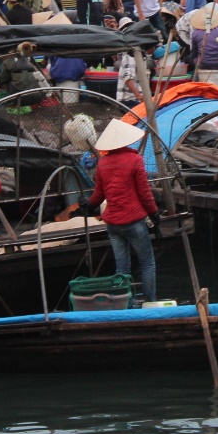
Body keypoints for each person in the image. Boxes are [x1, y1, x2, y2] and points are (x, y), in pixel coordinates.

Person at [86, 119, 160, 303]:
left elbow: (98, 195)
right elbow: (145, 194)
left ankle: (123, 302)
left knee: (122, 267)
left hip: (112, 223)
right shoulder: (135, 160)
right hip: (133, 221)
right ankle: (150, 301)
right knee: (147, 264)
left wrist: (87, 205)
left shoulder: (103, 163)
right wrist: (155, 215)